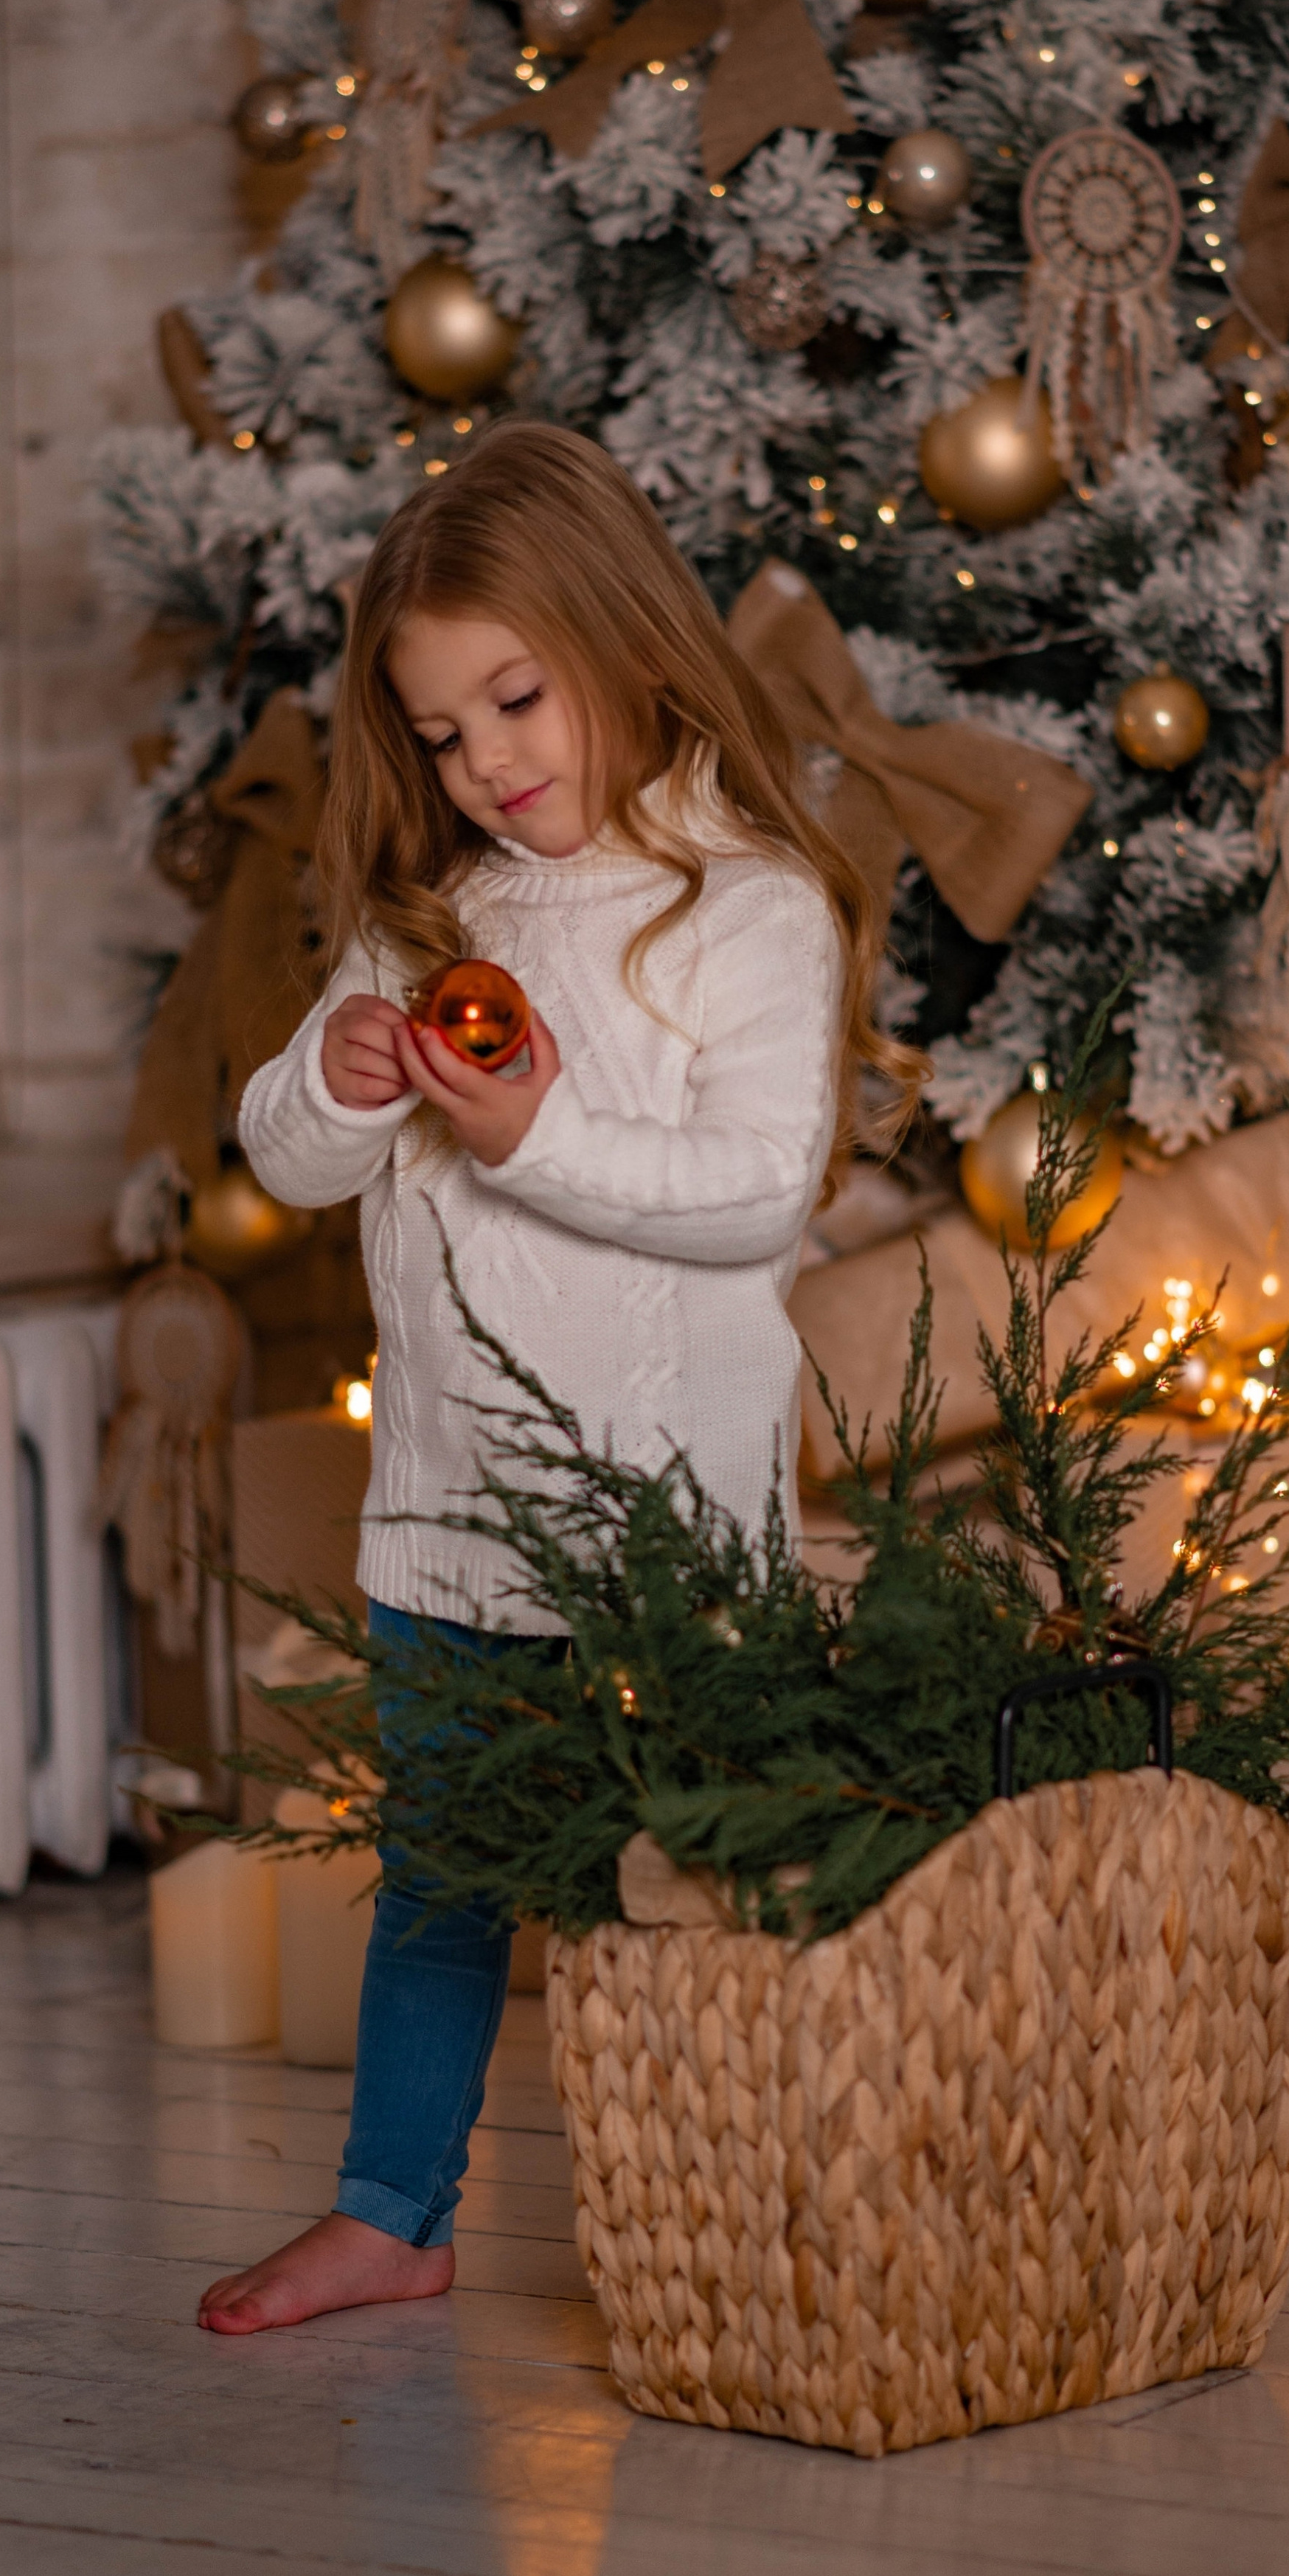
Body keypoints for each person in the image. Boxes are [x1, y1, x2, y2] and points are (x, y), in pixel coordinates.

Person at [197, 423, 920, 2335]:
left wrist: (530, 1128)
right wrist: (335, 1081)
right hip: (448, 1513)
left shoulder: (740, 905)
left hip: (673, 1532)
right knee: (440, 1876)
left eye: (516, 698)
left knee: (713, 1875)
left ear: (629, 647)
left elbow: (752, 1192)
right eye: (439, 732)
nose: (488, 760)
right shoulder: (429, 921)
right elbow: (281, 1159)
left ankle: (758, 2192)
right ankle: (393, 2204)